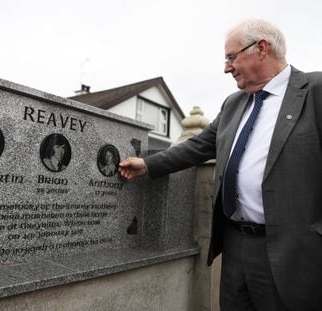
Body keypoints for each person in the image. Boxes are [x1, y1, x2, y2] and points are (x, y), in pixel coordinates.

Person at [119, 19, 322, 311]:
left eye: (231, 56)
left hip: (294, 253)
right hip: (235, 244)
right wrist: (148, 165)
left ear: (262, 48)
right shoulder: (233, 104)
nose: (227, 67)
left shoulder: (315, 90)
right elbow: (198, 146)